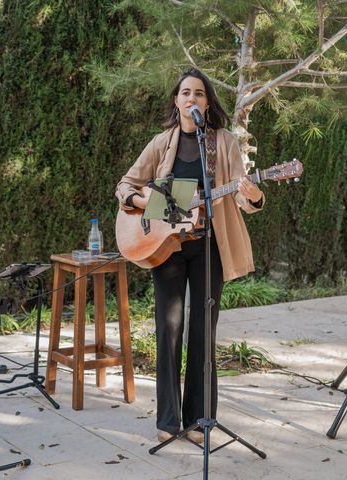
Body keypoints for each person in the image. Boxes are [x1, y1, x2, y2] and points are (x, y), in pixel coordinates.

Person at [116, 68, 264, 444]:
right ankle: (167, 422)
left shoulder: (222, 142)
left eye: (199, 93)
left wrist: (253, 194)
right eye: (185, 93)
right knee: (169, 330)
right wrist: (141, 200)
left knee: (203, 332)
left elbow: (244, 200)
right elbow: (125, 186)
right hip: (166, 246)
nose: (192, 99)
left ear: (206, 102)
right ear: (176, 100)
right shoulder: (161, 142)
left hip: (208, 247)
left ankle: (199, 420)